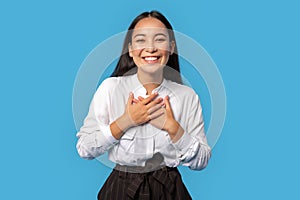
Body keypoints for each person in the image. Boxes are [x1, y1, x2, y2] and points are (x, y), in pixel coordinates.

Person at [76, 10, 211, 200]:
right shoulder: (110, 89)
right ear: (130, 49)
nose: (151, 48)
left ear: (171, 47)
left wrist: (173, 128)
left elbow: (201, 160)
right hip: (121, 189)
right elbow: (84, 148)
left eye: (159, 39)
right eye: (141, 40)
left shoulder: (187, 96)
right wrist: (126, 121)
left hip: (169, 190)